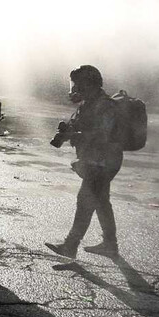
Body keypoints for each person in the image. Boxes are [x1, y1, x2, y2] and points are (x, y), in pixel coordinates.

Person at [46, 65, 124, 259]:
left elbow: (103, 135)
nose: (75, 88)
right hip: (95, 160)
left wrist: (74, 135)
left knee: (85, 201)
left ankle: (70, 245)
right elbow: (82, 128)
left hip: (103, 162)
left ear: (89, 84)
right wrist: (66, 132)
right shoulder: (88, 104)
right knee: (101, 201)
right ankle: (110, 245)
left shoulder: (105, 106)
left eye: (78, 84)